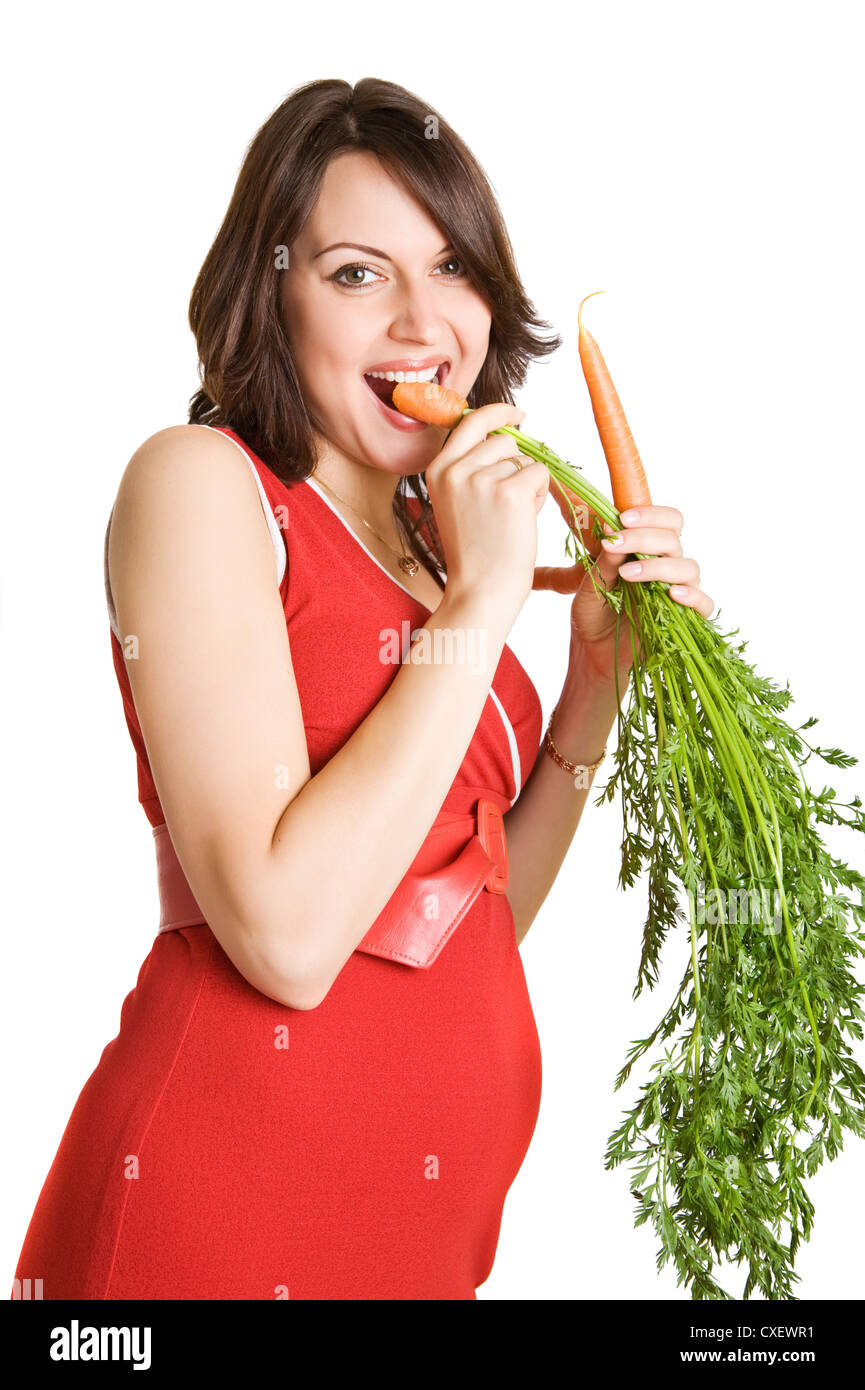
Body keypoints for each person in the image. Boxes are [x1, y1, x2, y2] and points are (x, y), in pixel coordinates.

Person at [12, 76, 713, 1301]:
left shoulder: (433, 540)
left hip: (414, 1245)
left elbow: (466, 916)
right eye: (355, 272)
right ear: (267, 292)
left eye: (452, 269)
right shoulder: (205, 488)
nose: (421, 322)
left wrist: (591, 684)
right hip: (216, 1221)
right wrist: (483, 603)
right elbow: (286, 936)